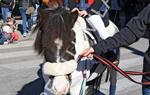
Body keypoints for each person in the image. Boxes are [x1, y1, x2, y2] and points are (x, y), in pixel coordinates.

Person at [79, 4, 150, 95]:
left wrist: (89, 10)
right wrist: (96, 48)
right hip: (148, 79)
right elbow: (130, 33)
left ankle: (112, 55)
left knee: (97, 23)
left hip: (95, 13)